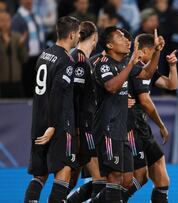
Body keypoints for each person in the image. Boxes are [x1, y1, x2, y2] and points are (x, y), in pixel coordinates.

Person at [89, 27, 163, 202]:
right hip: (107, 128)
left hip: (122, 129)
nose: (126, 40)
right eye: (120, 37)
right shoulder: (103, 63)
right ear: (109, 45)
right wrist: (131, 63)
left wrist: (157, 52)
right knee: (114, 177)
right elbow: (111, 87)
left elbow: (147, 73)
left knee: (128, 180)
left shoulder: (123, 63)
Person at [24, 16, 80, 203]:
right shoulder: (66, 61)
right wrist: (53, 125)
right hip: (56, 126)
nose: (79, 36)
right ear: (72, 35)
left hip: (38, 121)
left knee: (39, 176)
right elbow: (56, 93)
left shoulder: (44, 54)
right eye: (78, 33)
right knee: (63, 172)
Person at [123, 33, 178, 203]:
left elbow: (172, 85)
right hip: (131, 126)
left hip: (142, 127)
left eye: (136, 47)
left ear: (144, 50)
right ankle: (111, 199)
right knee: (140, 177)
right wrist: (161, 125)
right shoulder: (134, 68)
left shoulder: (146, 70)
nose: (134, 50)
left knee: (162, 180)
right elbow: (145, 101)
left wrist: (172, 66)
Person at [65, 21, 105, 202]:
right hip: (83, 127)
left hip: (79, 126)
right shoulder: (80, 60)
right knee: (100, 178)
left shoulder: (81, 59)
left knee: (70, 180)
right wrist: (77, 129)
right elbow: (75, 96)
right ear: (95, 37)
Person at [0, 10, 28, 98]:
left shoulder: (17, 37)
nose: (5, 23)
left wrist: (22, 45)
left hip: (16, 81)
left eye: (7, 20)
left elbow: (24, 59)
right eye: (2, 20)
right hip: (2, 82)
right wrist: (6, 44)